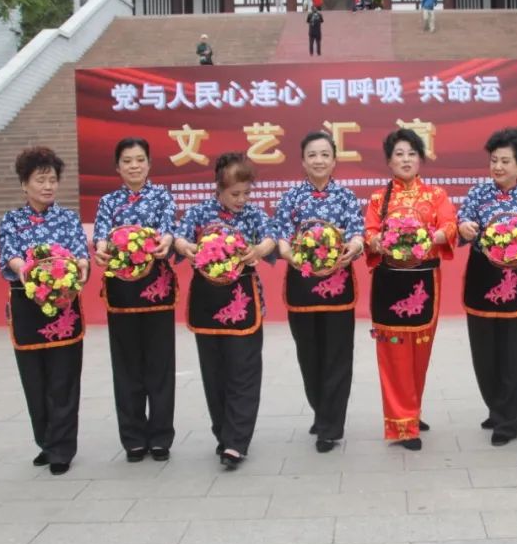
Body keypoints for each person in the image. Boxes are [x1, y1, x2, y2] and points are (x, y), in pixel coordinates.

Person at [174, 153, 276, 469]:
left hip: (245, 300)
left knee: (244, 371)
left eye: (246, 193)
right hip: (207, 300)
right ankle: (223, 433)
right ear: (219, 188)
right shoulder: (200, 213)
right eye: (235, 194)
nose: (242, 200)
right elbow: (180, 237)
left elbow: (272, 237)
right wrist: (185, 247)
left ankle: (237, 441)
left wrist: (258, 250)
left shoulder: (254, 214)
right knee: (215, 373)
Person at [0, 147, 89, 476]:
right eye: (40, 180)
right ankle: (46, 441)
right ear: (25, 184)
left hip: (63, 306)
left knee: (63, 380)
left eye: (52, 180)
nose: (48, 186)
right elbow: (10, 255)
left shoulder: (67, 218)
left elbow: (80, 252)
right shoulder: (11, 220)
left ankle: (62, 448)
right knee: (35, 382)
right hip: (27, 306)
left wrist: (81, 266)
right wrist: (26, 269)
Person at [364, 129, 458, 451]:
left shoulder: (436, 195)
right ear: (389, 161)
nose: (406, 159)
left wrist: (432, 237)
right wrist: (376, 240)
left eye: (411, 153)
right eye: (399, 154)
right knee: (393, 353)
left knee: (419, 352)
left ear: (420, 159)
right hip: (389, 282)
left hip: (424, 282)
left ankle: (411, 409)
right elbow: (370, 232)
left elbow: (449, 225)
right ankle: (403, 424)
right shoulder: (379, 199)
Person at [272, 131, 365, 453]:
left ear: (334, 160)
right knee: (309, 356)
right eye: (312, 154)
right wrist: (289, 254)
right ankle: (320, 409)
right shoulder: (291, 197)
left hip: (339, 285)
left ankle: (330, 426)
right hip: (302, 285)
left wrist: (351, 248)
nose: (319, 160)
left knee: (338, 356)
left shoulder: (346, 197)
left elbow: (357, 234)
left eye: (325, 154)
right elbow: (281, 236)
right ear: (303, 161)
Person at [457, 128, 517, 446]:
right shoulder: (477, 194)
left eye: (505, 161)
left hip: (515, 285)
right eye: (494, 160)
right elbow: (461, 227)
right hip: (482, 280)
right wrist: (464, 228)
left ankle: (509, 421)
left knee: (514, 355)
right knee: (485, 355)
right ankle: (497, 407)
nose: (498, 167)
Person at [92, 138, 179, 463]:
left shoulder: (162, 196)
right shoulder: (108, 201)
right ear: (117, 167)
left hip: (157, 289)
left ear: (149, 163)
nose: (134, 166)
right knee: (127, 367)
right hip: (121, 292)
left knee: (160, 365)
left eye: (140, 159)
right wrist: (101, 249)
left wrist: (166, 241)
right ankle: (132, 438)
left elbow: (169, 230)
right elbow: (100, 235)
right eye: (127, 161)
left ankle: (160, 437)